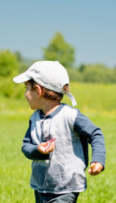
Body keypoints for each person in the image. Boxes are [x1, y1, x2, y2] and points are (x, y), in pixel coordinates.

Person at [13, 61, 106, 203]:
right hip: (40, 186)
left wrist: (98, 159)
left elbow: (95, 134)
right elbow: (26, 146)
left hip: (66, 187)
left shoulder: (70, 115)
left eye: (26, 88)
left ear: (38, 90)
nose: (25, 93)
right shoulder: (34, 118)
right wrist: (37, 149)